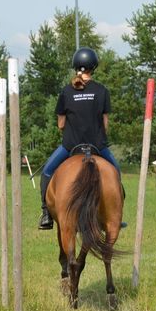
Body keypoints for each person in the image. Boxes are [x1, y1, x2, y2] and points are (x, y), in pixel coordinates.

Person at [38, 47, 125, 230]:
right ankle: (115, 215)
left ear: (75, 66)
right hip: (97, 147)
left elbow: (61, 124)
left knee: (47, 172)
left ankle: (46, 213)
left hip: (70, 146)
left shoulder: (66, 91)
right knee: (115, 173)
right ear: (94, 66)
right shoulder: (102, 91)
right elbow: (105, 123)